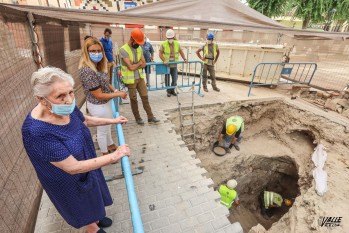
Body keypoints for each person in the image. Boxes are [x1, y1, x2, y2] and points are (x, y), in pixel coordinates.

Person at [22, 67, 131, 233]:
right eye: (60, 96)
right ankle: (92, 228)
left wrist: (113, 120)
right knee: (81, 203)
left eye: (71, 92)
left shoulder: (65, 106)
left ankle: (96, 215)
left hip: (86, 161)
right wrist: (113, 156)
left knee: (94, 191)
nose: (68, 100)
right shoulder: (36, 131)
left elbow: (84, 120)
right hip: (67, 178)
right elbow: (72, 168)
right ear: (42, 99)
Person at [79, 37, 127, 155]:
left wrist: (115, 90)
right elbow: (99, 95)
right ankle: (105, 154)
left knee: (108, 125)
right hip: (98, 105)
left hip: (106, 103)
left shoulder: (99, 65)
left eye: (99, 51)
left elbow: (106, 83)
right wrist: (118, 94)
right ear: (86, 52)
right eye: (93, 51)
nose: (97, 53)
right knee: (102, 130)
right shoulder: (87, 71)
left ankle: (110, 144)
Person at [119, 28, 160, 125]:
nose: (139, 44)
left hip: (140, 78)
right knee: (134, 100)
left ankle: (150, 117)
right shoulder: (123, 50)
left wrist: (135, 64)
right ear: (132, 39)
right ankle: (138, 118)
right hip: (130, 80)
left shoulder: (138, 48)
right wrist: (138, 64)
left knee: (145, 97)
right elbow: (130, 67)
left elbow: (144, 63)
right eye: (137, 42)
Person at [159, 29, 188, 97]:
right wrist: (164, 60)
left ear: (173, 37)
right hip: (167, 65)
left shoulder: (177, 43)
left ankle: (172, 90)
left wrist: (185, 59)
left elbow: (181, 52)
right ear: (167, 37)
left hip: (174, 64)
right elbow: (160, 54)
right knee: (167, 79)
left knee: (175, 78)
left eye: (171, 38)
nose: (170, 39)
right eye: (168, 38)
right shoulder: (163, 44)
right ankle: (168, 91)